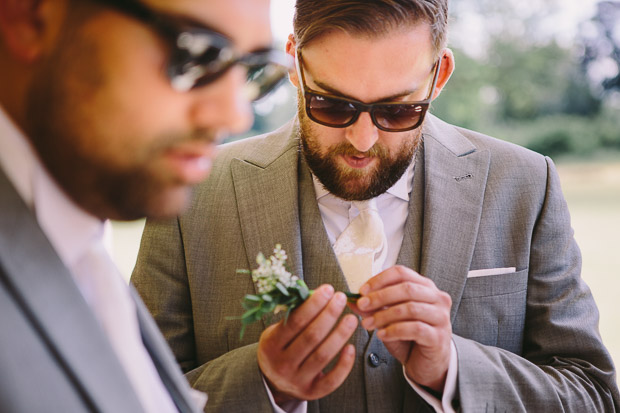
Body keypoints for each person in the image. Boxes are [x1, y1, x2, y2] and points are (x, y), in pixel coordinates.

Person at [131, 0, 620, 412]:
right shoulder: (191, 192)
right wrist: (262, 383)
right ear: (294, 64)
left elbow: (593, 393)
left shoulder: (525, 185)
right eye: (332, 104)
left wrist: (452, 368)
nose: (362, 140)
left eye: (397, 110)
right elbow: (128, 392)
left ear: (439, 75)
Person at [0, 0, 290, 411]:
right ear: (30, 18)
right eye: (197, 52)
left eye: (254, 67)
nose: (235, 115)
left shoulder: (80, 240)